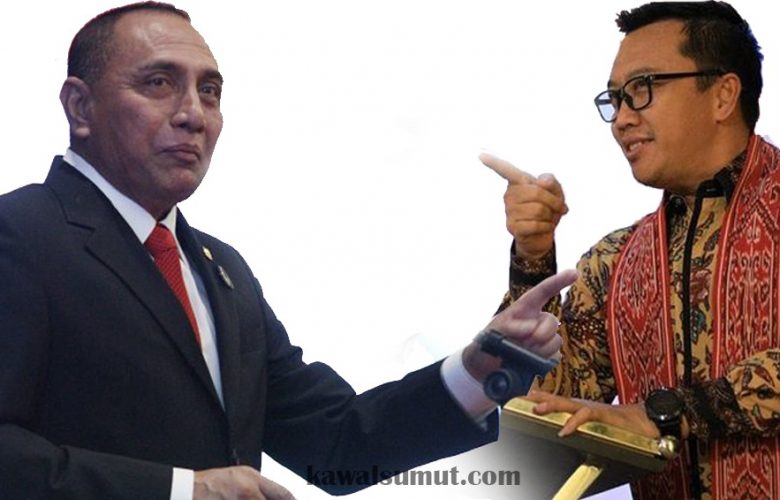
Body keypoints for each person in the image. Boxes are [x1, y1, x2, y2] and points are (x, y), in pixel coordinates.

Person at [0, 2, 577, 499]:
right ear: (80, 107)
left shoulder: (220, 270)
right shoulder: (18, 235)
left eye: (210, 91)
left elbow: (336, 444)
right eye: (158, 83)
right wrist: (180, 491)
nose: (192, 114)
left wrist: (472, 372)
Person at [483, 1, 778, 498]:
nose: (620, 119)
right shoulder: (614, 262)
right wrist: (533, 259)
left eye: (642, 89)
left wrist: (667, 415)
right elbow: (537, 411)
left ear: (723, 95)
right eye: (615, 99)